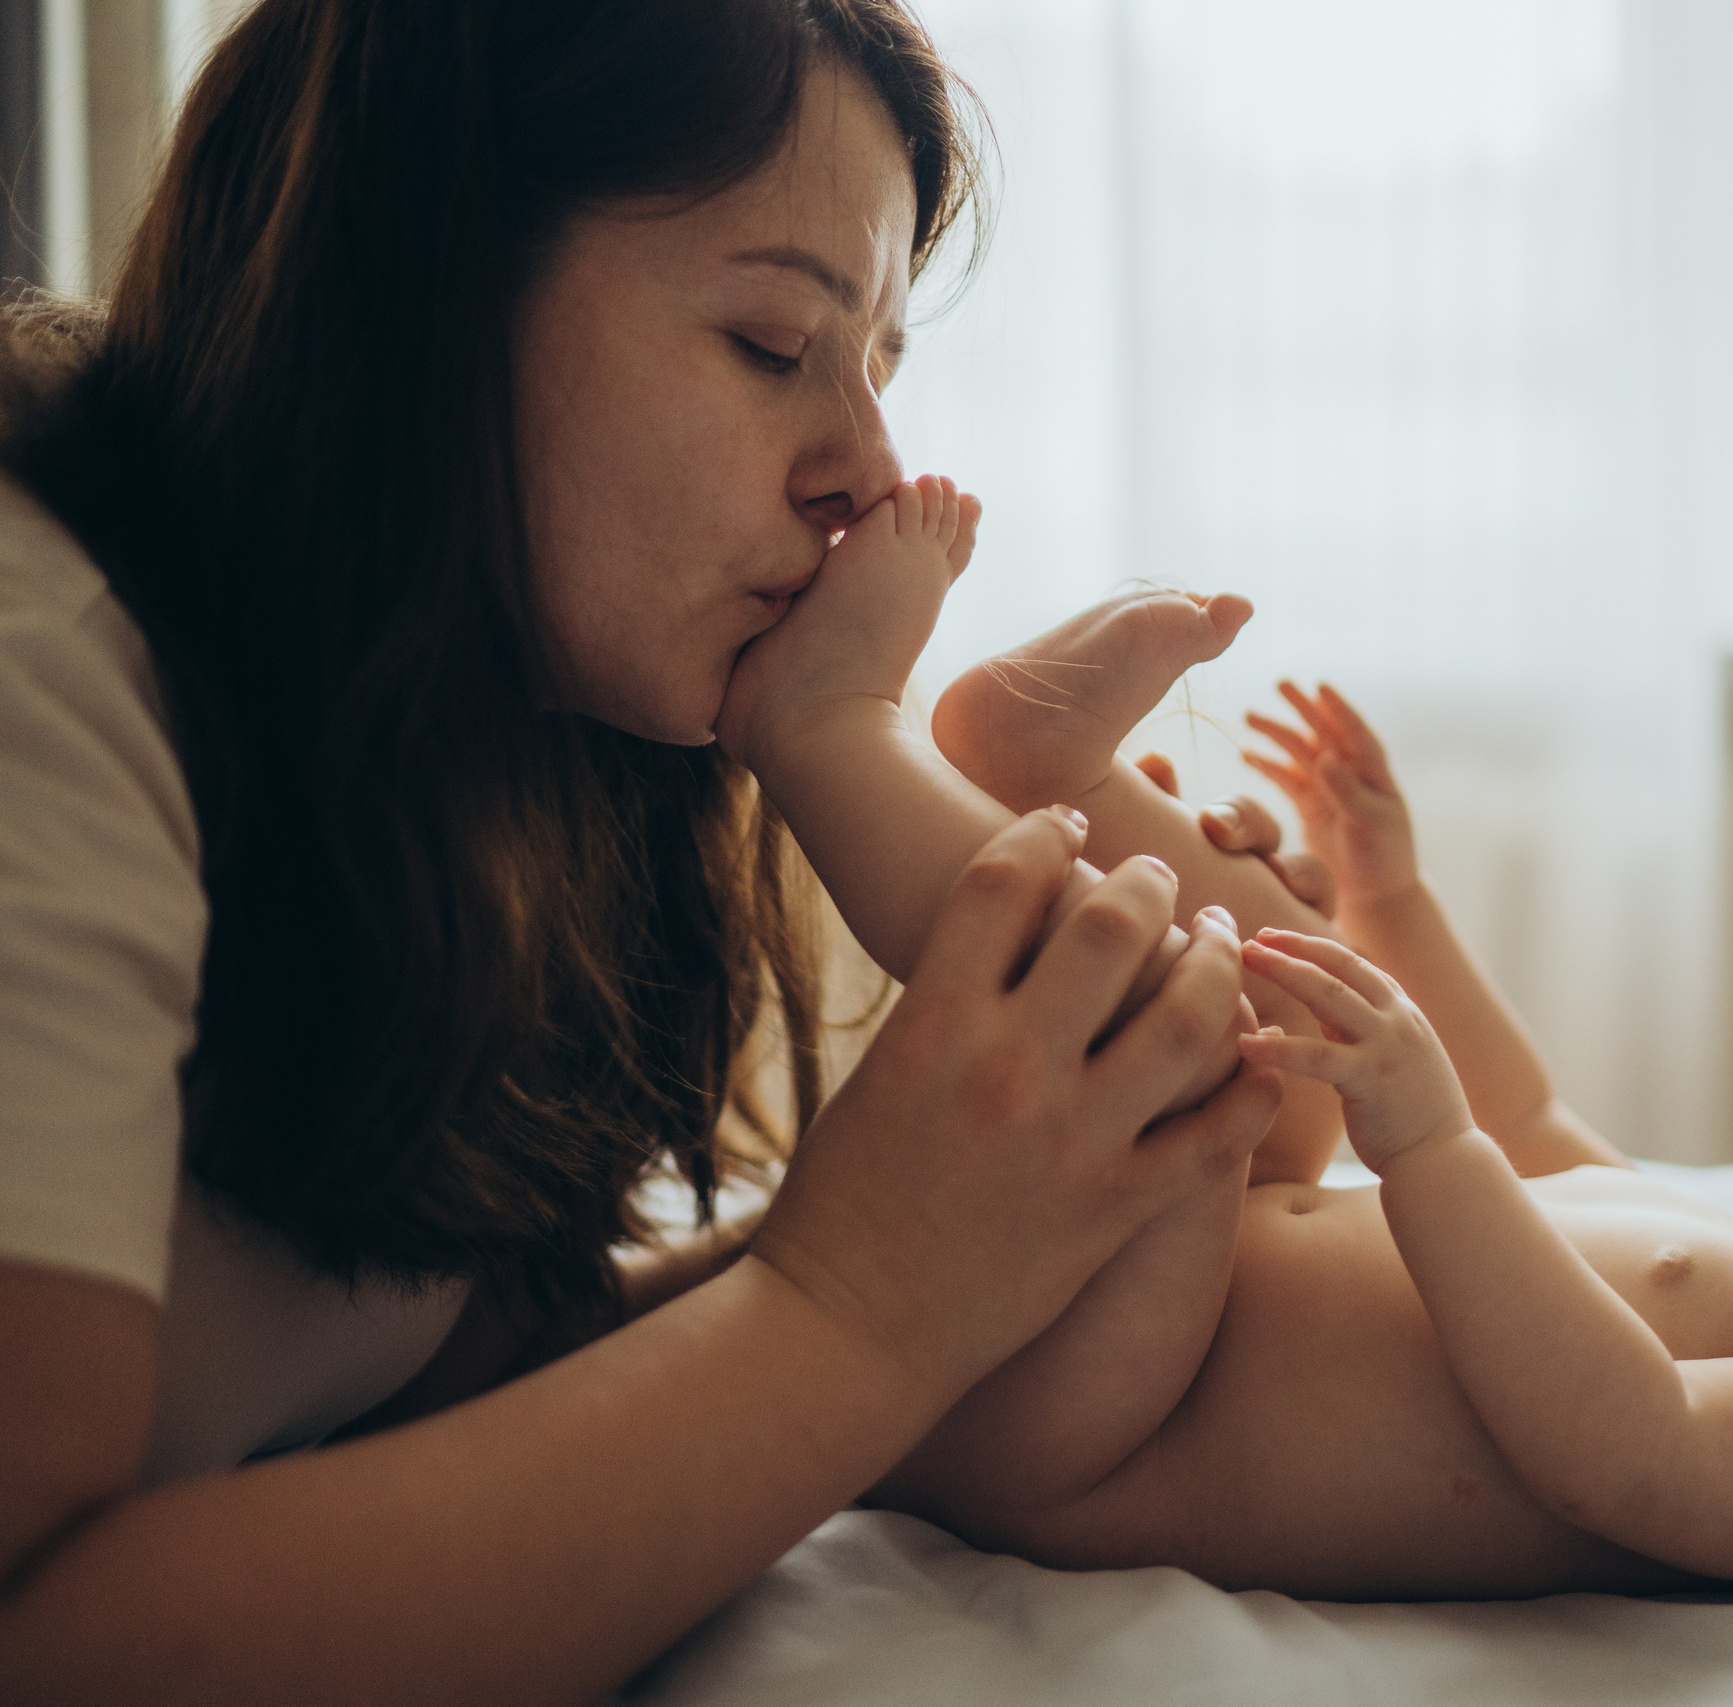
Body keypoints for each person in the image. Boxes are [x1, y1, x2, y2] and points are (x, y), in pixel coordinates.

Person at [0, 4, 1301, 1699]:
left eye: (878, 366)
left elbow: (453, 1383)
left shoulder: (495, 747)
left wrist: (962, 1208)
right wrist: (856, 1304)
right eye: (773, 343)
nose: (871, 474)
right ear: (417, 290)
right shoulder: (40, 660)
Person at [741, 479, 1733, 1597]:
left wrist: (1431, 1149)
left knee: (1184, 1023)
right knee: (1273, 980)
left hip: (1109, 1437)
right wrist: (1393, 900)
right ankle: (1041, 767)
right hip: (1165, 1286)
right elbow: (1524, 1108)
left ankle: (833, 735)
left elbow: (1632, 1453)